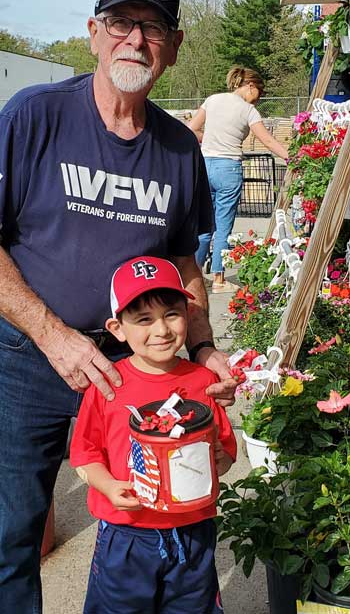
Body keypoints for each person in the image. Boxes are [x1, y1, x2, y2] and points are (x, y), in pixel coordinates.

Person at [0, 0, 237, 611]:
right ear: (94, 33)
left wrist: (203, 347)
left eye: (153, 27)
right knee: (10, 538)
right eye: (121, 22)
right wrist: (54, 337)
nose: (135, 39)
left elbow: (184, 262)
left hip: (129, 370)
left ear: (174, 46)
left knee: (140, 514)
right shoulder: (35, 114)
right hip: (28, 361)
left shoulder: (178, 148)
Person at [69, 256, 236, 613]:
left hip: (192, 530)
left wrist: (218, 461)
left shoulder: (204, 381)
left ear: (188, 315)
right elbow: (85, 455)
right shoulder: (108, 384)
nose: (161, 330)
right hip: (127, 533)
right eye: (144, 319)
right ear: (117, 328)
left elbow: (224, 451)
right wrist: (108, 486)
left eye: (171, 314)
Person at [188, 67, 291, 292]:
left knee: (204, 225)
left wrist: (209, 138)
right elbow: (268, 141)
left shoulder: (212, 100)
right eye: (259, 93)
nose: (258, 99)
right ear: (250, 86)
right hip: (228, 168)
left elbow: (190, 129)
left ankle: (194, 279)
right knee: (223, 227)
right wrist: (290, 157)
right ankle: (219, 279)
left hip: (204, 166)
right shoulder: (248, 111)